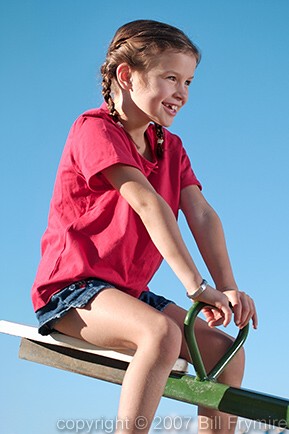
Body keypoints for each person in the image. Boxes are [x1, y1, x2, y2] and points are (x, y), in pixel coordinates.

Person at [31, 19, 258, 433]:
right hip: (73, 291)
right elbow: (146, 202)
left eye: (188, 81)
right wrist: (194, 285)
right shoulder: (94, 129)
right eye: (171, 78)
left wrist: (227, 285)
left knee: (225, 353)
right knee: (161, 334)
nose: (182, 93)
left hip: (128, 293)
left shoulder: (170, 148)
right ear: (126, 75)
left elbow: (202, 214)